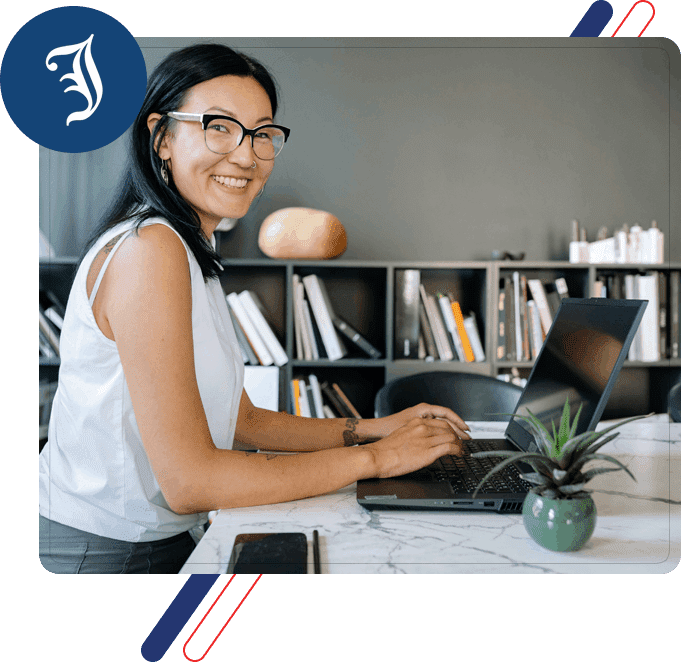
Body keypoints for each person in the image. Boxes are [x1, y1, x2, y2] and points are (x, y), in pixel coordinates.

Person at [38, 43, 471, 574]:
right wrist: (379, 459)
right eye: (219, 126)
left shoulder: (190, 246)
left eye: (263, 133)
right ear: (162, 137)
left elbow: (241, 420)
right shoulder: (150, 251)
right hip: (102, 550)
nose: (246, 155)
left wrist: (372, 429)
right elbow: (190, 481)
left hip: (159, 537)